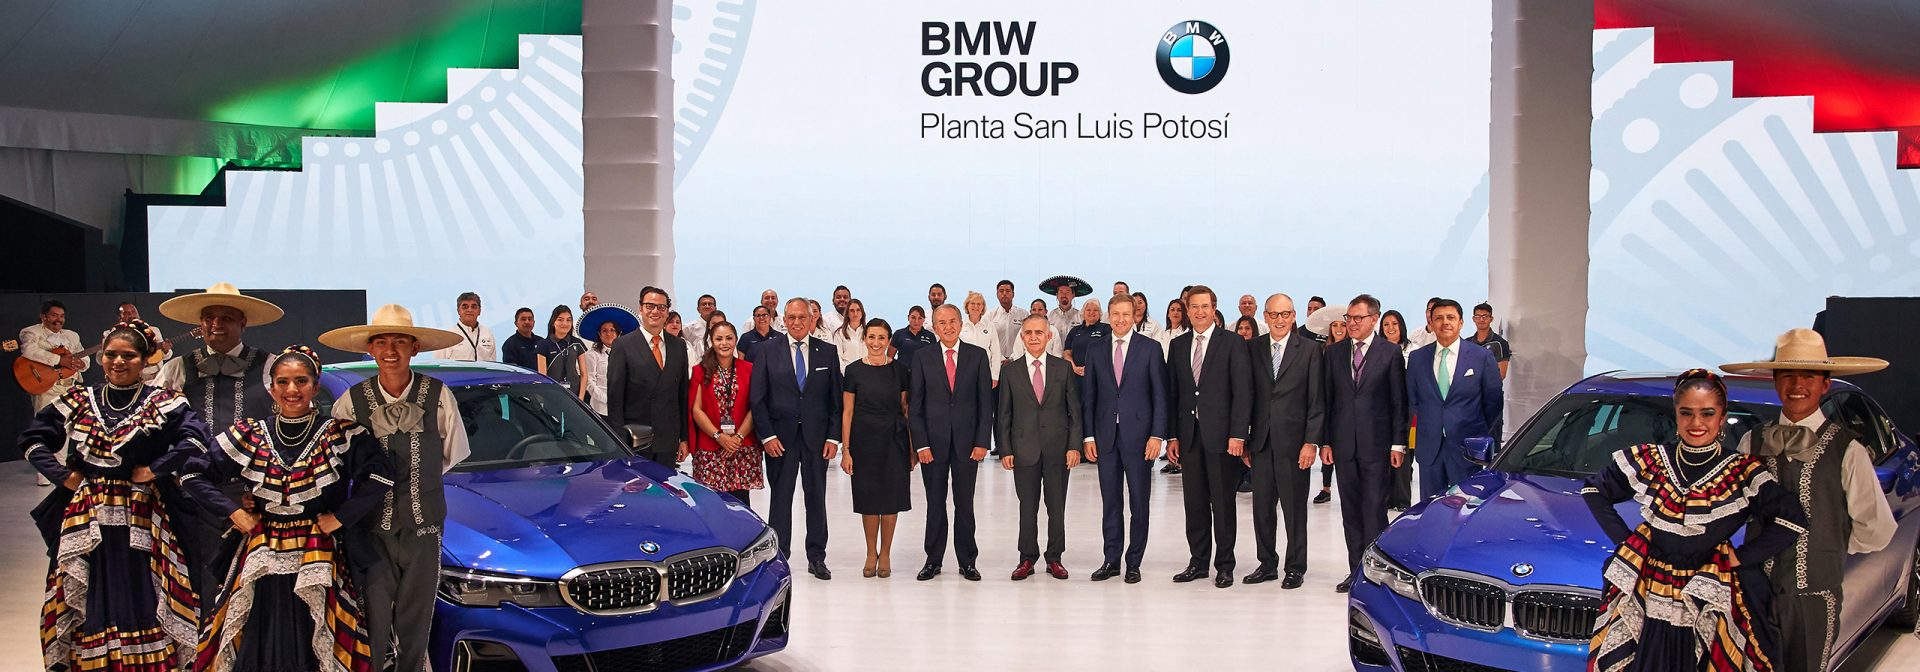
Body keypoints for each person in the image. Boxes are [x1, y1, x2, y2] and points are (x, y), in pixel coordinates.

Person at [183, 345, 394, 672]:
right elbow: (192, 473)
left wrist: (341, 517)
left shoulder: (339, 433)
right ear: (271, 387)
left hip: (318, 553)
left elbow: (381, 475)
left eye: (301, 381)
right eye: (283, 382)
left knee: (315, 633)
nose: (292, 390)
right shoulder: (250, 434)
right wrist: (233, 511)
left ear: (315, 384)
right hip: (261, 553)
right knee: (260, 630)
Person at [1583, 369, 1804, 672]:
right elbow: (1595, 489)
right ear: (1676, 414)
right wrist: (1627, 542)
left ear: (1722, 417)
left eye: (1707, 413)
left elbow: (1792, 520)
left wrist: (1741, 557)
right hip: (1653, 590)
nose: (1696, 423)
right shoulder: (1652, 460)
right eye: (1686, 413)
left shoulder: (1741, 471)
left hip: (1712, 591)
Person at [23, 321, 206, 672]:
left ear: (144, 360)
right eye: (111, 355)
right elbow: (33, 440)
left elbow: (195, 441)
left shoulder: (163, 401)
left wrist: (155, 470)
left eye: (129, 356)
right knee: (89, 587)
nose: (118, 362)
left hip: (143, 512)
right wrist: (64, 477)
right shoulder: (80, 399)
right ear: (102, 357)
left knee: (145, 587)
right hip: (87, 514)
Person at [1722, 330, 1897, 672]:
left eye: (1808, 375)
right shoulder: (1750, 441)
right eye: (1787, 374)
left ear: (1826, 385)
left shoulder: (1848, 450)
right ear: (1775, 381)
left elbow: (1876, 528)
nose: (1797, 384)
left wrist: (1828, 546)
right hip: (1755, 592)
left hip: (1813, 597)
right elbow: (1734, 510)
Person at [319, 304, 469, 672]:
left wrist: (420, 481)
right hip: (370, 531)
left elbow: (450, 454)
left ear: (414, 348)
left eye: (400, 342)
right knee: (371, 614)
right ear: (370, 350)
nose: (391, 351)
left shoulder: (438, 395)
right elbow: (337, 464)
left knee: (416, 617)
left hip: (424, 526)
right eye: (382, 342)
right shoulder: (350, 403)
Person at [155, 281, 286, 610]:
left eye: (226, 317)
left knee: (256, 578)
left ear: (243, 323)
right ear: (199, 325)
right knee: (198, 578)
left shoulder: (271, 367)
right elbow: (155, 425)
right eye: (209, 317)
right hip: (192, 493)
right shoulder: (177, 368)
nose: (217, 324)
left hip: (255, 494)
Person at [750, 297, 843, 580]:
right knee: (780, 499)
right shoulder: (767, 350)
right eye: (791, 317)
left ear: (812, 319)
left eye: (802, 317)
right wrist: (767, 436)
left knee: (816, 498)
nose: (797, 322)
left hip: (817, 440)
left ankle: (817, 557)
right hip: (780, 440)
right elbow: (758, 398)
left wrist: (833, 438)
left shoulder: (827, 351)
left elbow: (835, 400)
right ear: (783, 319)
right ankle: (779, 557)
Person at [1166, 286, 1252, 588]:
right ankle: (1198, 562)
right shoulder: (1178, 346)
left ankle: (1225, 565)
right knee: (1195, 503)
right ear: (1187, 311)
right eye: (1194, 307)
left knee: (1223, 504)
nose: (1199, 312)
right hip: (1189, 438)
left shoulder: (1232, 343)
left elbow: (1243, 392)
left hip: (1222, 438)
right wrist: (1173, 436)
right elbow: (1174, 394)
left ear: (1214, 309)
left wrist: (1238, 434)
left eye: (1205, 306)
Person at [1079, 295, 1166, 584]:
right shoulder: (1095, 349)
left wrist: (1157, 435)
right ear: (1108, 315)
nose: (1120, 319)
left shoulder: (1150, 348)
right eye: (1115, 314)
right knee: (1110, 502)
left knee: (1139, 503)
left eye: (1126, 314)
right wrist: (1088, 435)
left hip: (1140, 439)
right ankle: (1111, 559)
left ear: (1135, 316)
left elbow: (1159, 396)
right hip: (1105, 438)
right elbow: (1088, 396)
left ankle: (1134, 561)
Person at [1324, 294, 1407, 593]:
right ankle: (1355, 571)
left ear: (1374, 319)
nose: (1352, 323)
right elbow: (1327, 401)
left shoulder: (1390, 353)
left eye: (1358, 318)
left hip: (1377, 444)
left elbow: (1399, 402)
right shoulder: (1333, 354)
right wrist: (1326, 442)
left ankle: (1378, 573)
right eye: (1349, 318)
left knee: (1374, 510)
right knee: (1350, 512)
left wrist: (1398, 444)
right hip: (1344, 444)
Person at [908, 304, 995, 582]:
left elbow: (985, 405)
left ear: (961, 324)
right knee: (935, 503)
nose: (948, 327)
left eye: (952, 321)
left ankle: (967, 561)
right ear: (934, 326)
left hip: (968, 445)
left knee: (964, 504)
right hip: (932, 446)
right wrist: (921, 444)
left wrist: (982, 441)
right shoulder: (923, 357)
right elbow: (916, 405)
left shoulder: (978, 356)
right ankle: (933, 560)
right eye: (942, 322)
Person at [1245, 294, 1325, 590]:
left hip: (1295, 445)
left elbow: (1317, 400)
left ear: (1293, 316)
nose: (1279, 320)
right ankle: (1266, 564)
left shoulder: (1309, 350)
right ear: (1265, 317)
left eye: (1286, 314)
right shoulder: (1252, 349)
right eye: (1274, 314)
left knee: (1294, 510)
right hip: (1261, 443)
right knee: (1262, 509)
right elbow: (1247, 397)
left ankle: (1295, 567)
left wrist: (1311, 442)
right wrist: (1246, 438)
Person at [997, 314, 1082, 581]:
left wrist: (1074, 446)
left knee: (1056, 507)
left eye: (1039, 333)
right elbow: (1004, 415)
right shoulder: (1010, 371)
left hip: (1058, 449)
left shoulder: (1062, 368)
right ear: (1022, 337)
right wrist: (1006, 449)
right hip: (1024, 450)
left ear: (1049, 336)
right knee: (1027, 506)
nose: (1034, 337)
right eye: (1029, 333)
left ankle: (1054, 558)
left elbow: (1074, 412)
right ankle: (1026, 557)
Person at [1406, 299, 1504, 499]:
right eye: (1439, 318)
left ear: (1461, 322)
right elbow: (1413, 399)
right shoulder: (1418, 358)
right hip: (1430, 449)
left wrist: (1478, 433)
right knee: (1430, 510)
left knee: (1467, 509)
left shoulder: (1480, 357)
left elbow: (1493, 401)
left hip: (1467, 449)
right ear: (1431, 324)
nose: (1445, 323)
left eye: (1451, 317)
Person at [839, 318, 914, 578]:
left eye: (881, 338)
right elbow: (847, 413)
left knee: (891, 499)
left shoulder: (901, 370)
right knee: (869, 499)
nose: (876, 343)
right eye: (871, 337)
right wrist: (846, 450)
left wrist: (913, 449)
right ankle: (871, 552)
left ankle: (886, 552)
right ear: (864, 339)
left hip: (894, 440)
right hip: (863, 440)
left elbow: (906, 410)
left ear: (889, 340)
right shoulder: (854, 371)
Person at [606, 287, 691, 466]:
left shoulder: (678, 346)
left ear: (667, 311)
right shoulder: (623, 345)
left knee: (666, 491)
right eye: (650, 306)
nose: (655, 311)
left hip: (668, 437)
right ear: (641, 308)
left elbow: (682, 395)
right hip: (635, 438)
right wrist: (618, 440)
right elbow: (615, 398)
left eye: (661, 307)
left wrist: (684, 437)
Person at [689, 321, 764, 506]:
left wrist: (737, 437)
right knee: (711, 504)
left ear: (736, 340)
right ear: (712, 342)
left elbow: (756, 407)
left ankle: (745, 535)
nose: (724, 343)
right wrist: (718, 436)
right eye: (719, 339)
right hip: (710, 447)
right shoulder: (700, 370)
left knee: (741, 503)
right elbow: (696, 409)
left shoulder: (749, 369)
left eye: (729, 338)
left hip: (742, 446)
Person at [20, 300, 89, 417]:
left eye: (62, 316)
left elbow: (84, 356)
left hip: (71, 389)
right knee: (47, 428)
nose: (59, 320)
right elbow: (29, 351)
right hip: (46, 389)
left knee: (71, 429)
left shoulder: (72, 335)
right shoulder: (32, 332)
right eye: (54, 315)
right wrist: (60, 360)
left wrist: (82, 364)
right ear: (43, 316)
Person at [1378, 309, 1415, 510]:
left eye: (1394, 324)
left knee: (1402, 452)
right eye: (1386, 324)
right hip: (1380, 410)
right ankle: (1386, 497)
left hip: (1405, 409)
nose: (1391, 328)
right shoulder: (1376, 350)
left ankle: (1401, 499)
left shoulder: (1413, 350)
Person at [577, 305, 638, 422]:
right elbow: (589, 383)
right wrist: (607, 399)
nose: (608, 333)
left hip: (623, 408)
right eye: (604, 331)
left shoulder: (626, 354)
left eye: (612, 330)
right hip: (601, 409)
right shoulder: (592, 355)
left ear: (618, 333)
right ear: (599, 334)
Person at [105, 302, 170, 382]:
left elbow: (165, 356)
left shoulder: (153, 330)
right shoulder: (110, 334)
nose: (131, 315)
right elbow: (103, 358)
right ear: (119, 317)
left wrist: (166, 350)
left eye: (133, 311)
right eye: (126, 313)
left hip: (156, 378)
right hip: (128, 379)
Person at [536, 304, 589, 389]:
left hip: (574, 394)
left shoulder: (577, 343)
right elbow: (543, 377)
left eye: (568, 320)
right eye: (560, 320)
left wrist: (581, 398)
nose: (565, 323)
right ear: (553, 322)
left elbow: (584, 374)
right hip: (553, 393)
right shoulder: (543, 345)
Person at [435, 291, 496, 361]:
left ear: (479, 311)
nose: (470, 310)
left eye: (474, 307)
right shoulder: (448, 335)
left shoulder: (487, 333)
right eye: (465, 307)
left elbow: (492, 362)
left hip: (483, 372)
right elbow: (439, 365)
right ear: (458, 311)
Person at [958, 291, 1003, 383]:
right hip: (964, 372)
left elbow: (996, 351)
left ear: (983, 307)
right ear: (967, 305)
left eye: (979, 304)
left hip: (985, 371)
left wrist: (995, 375)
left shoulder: (989, 326)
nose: (976, 307)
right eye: (973, 303)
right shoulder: (960, 325)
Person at [1063, 298, 1110, 377]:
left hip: (1098, 375)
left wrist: (1091, 368)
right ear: (1083, 313)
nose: (1092, 312)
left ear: (1100, 314)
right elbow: (1067, 353)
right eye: (1088, 310)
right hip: (1075, 375)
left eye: (1095, 310)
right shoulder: (1074, 330)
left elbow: (1108, 353)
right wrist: (1074, 368)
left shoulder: (1106, 329)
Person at [1469, 302, 1513, 379]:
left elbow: (1501, 375)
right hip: (1468, 389)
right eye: (1478, 316)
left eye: (1485, 316)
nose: (1481, 319)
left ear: (1491, 319)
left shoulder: (1500, 343)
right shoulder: (1467, 343)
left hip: (1489, 389)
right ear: (1473, 319)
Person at [827, 299, 870, 373]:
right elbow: (838, 357)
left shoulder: (869, 333)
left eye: (858, 310)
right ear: (847, 313)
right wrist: (847, 372)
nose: (855, 313)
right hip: (847, 375)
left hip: (867, 373)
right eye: (852, 310)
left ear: (862, 313)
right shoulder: (839, 333)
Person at [987, 280, 1025, 364]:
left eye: (1007, 291)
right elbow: (987, 340)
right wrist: (1000, 358)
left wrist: (1012, 358)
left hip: (1018, 361)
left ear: (1013, 294)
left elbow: (1026, 339)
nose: (1004, 293)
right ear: (997, 295)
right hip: (996, 361)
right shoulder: (990, 315)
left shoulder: (1023, 314)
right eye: (1001, 291)